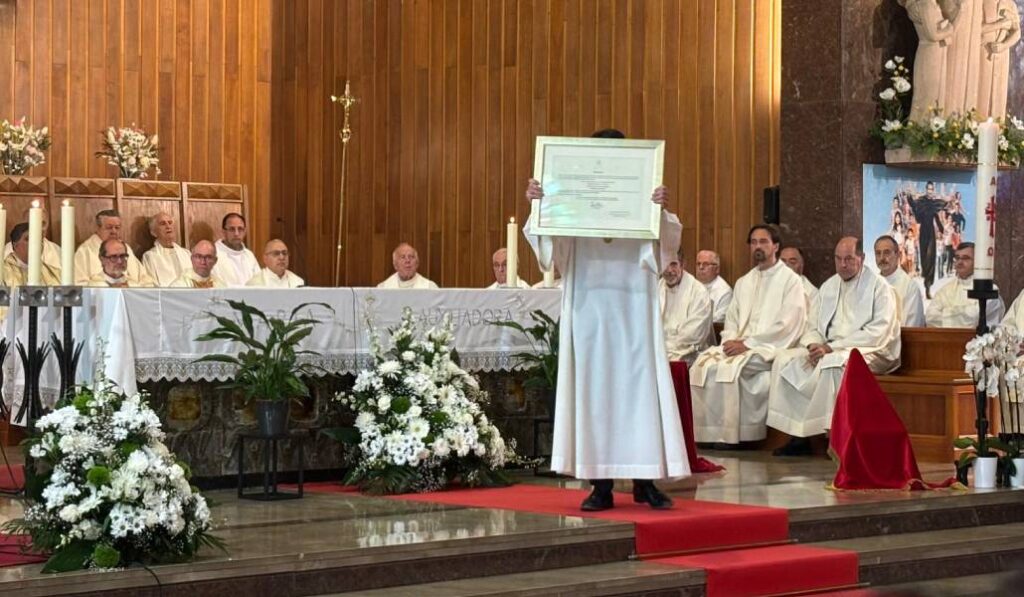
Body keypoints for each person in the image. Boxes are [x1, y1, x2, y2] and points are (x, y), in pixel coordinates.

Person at [523, 128, 687, 511]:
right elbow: (553, 249)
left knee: (639, 392)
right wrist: (541, 204)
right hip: (590, 306)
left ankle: (645, 480)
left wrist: (659, 210)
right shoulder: (574, 193)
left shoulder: (641, 192)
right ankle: (600, 485)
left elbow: (665, 248)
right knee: (594, 391)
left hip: (633, 307)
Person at [767, 237, 901, 454]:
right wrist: (813, 345)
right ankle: (798, 435)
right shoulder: (829, 286)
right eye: (838, 259)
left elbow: (878, 332)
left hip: (873, 350)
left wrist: (832, 348)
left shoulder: (879, 287)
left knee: (833, 364)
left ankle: (837, 439)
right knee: (784, 360)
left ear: (862, 257)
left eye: (848, 259)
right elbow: (812, 324)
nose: (842, 264)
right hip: (828, 348)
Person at [689, 225, 807, 448]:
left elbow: (787, 324)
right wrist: (729, 341)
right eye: (753, 242)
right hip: (739, 345)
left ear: (776, 246)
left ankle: (737, 437)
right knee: (702, 365)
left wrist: (748, 344)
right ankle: (707, 434)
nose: (757, 247)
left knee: (731, 370)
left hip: (769, 347)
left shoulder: (790, 281)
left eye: (763, 242)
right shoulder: (744, 282)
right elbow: (732, 319)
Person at [925, 242, 1004, 328]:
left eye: (966, 258)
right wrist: (963, 313)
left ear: (977, 262)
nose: (960, 262)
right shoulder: (945, 290)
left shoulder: (989, 290)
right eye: (957, 258)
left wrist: (945, 312)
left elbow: (974, 317)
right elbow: (930, 318)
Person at [660, 249, 714, 367]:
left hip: (688, 353)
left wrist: (663, 346)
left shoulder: (698, 292)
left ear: (682, 264)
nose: (669, 270)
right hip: (661, 350)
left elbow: (693, 335)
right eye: (665, 264)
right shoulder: (656, 288)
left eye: (673, 264)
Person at [73, 209, 155, 287]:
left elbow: (146, 281)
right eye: (109, 227)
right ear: (98, 228)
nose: (114, 231)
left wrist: (130, 287)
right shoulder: (85, 251)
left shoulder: (126, 248)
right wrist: (109, 288)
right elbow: (79, 284)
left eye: (117, 227)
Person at [906, 181, 953, 298]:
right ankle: (926, 280)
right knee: (924, 259)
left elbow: (937, 217)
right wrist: (910, 200)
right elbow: (917, 215)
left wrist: (942, 229)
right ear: (926, 189)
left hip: (931, 233)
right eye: (929, 189)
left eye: (932, 189)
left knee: (930, 257)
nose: (930, 191)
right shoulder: (921, 201)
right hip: (923, 233)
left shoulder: (934, 203)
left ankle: (928, 286)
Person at [875, 235, 925, 327]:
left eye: (887, 252)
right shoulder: (872, 285)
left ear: (897, 255)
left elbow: (911, 328)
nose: (882, 258)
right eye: (878, 253)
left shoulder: (910, 287)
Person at [3, 203, 62, 274]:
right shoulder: (8, 250)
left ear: (47, 225)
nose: (39, 227)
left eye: (43, 223)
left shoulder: (56, 251)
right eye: (33, 222)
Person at [2, 222, 61, 287]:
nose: (35, 243)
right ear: (15, 245)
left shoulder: (53, 273)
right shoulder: (3, 271)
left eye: (39, 239)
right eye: (28, 239)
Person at [141, 211, 192, 286]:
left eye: (170, 223)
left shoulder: (186, 254)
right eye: (162, 224)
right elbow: (150, 286)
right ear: (153, 232)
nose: (168, 226)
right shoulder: (150, 256)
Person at [211, 213, 261, 287]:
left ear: (245, 231)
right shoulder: (213, 254)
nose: (236, 233)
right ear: (224, 232)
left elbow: (259, 284)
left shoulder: (249, 255)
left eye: (240, 229)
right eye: (232, 229)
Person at [694, 250, 732, 323]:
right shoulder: (691, 286)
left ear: (717, 269)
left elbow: (719, 319)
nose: (701, 267)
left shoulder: (725, 292)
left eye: (705, 264)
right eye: (698, 264)